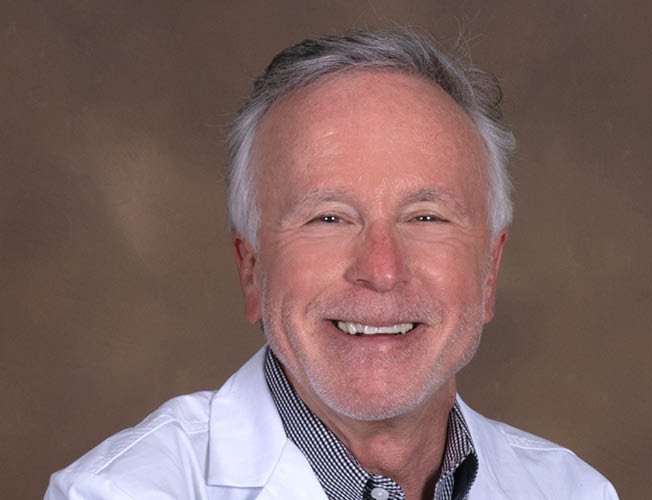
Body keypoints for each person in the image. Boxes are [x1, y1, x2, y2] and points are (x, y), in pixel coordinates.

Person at [45, 29, 618, 500]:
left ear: (489, 272)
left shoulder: (573, 490)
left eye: (426, 218)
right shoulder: (118, 491)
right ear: (251, 269)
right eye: (328, 218)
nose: (383, 269)